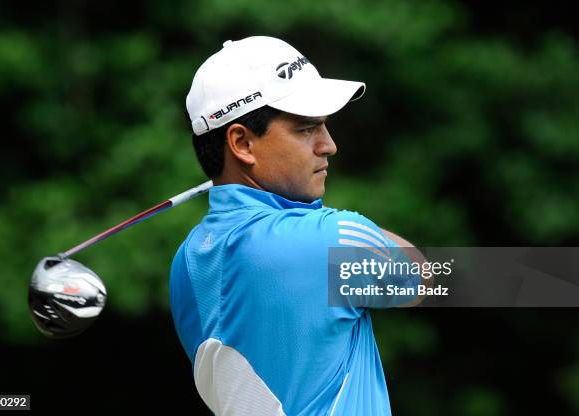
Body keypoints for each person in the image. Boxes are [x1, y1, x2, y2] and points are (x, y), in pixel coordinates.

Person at [170, 36, 428, 416]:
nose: (329, 145)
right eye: (307, 129)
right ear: (241, 143)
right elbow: (423, 278)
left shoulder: (187, 261)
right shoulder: (327, 238)